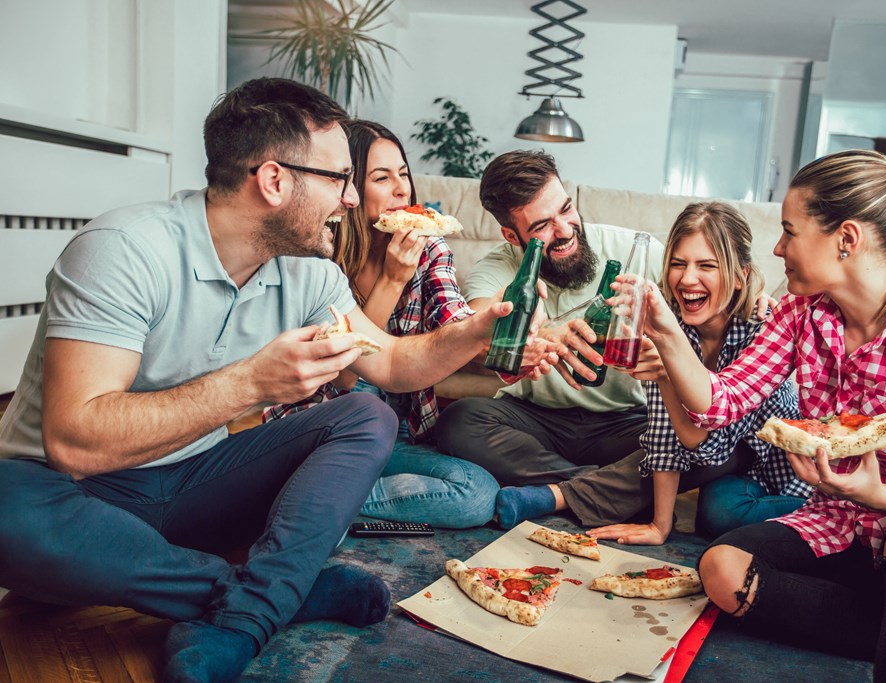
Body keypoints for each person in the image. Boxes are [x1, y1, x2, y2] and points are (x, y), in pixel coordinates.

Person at [0, 78, 515, 683]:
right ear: (274, 180)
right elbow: (76, 442)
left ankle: (242, 604)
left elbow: (394, 365)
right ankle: (272, 597)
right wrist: (251, 382)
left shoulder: (311, 276)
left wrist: (482, 331)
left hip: (196, 487)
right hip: (74, 495)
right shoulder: (124, 249)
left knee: (364, 415)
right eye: (337, 179)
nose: (351, 200)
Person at [644, 151, 886, 680]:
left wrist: (871, 493)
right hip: (844, 526)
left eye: (789, 232)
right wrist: (665, 336)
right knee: (721, 569)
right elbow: (722, 400)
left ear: (846, 239)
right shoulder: (803, 313)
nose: (778, 249)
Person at [495, 202, 812, 542]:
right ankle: (603, 494)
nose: (687, 279)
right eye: (678, 264)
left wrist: (667, 373)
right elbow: (664, 433)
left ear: (739, 276)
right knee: (716, 508)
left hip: (786, 476)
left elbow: (704, 445)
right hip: (737, 478)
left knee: (723, 511)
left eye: (707, 265)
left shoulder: (762, 330)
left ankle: (561, 495)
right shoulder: (667, 324)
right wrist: (661, 525)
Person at [263, 119, 500, 529]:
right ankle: (307, 500)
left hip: (400, 431)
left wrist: (492, 327)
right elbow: (343, 381)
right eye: (381, 177)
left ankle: (310, 504)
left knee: (475, 491)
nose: (401, 189)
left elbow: (455, 319)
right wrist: (391, 280)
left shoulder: (429, 247)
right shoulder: (321, 256)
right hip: (322, 429)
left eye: (403, 174)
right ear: (350, 188)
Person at [434, 150, 664, 488]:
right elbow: (478, 337)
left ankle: (565, 489)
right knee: (460, 422)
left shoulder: (638, 250)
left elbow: (716, 296)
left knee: (697, 441)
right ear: (512, 236)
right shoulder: (494, 269)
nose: (565, 230)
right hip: (537, 422)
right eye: (542, 226)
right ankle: (600, 488)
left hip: (626, 423)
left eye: (567, 209)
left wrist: (754, 300)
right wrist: (541, 336)